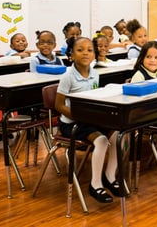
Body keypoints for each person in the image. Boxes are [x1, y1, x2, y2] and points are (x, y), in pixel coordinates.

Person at [55, 37, 120, 204]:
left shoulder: (95, 74)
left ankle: (110, 176)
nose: (85, 53)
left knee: (118, 134)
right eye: (80, 50)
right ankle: (95, 184)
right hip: (71, 123)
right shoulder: (68, 76)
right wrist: (80, 116)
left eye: (90, 50)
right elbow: (59, 105)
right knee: (102, 141)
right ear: (71, 55)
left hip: (88, 119)